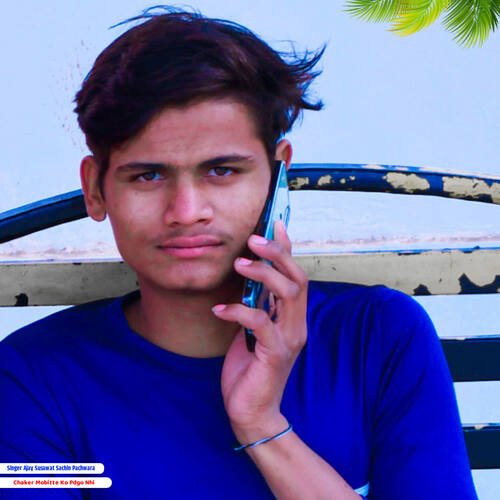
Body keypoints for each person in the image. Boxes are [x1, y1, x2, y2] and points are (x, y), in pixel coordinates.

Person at [0, 7, 477, 499]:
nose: (186, 212)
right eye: (148, 175)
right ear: (95, 190)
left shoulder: (376, 338)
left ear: (278, 176)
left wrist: (263, 426)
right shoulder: (32, 380)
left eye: (222, 171)